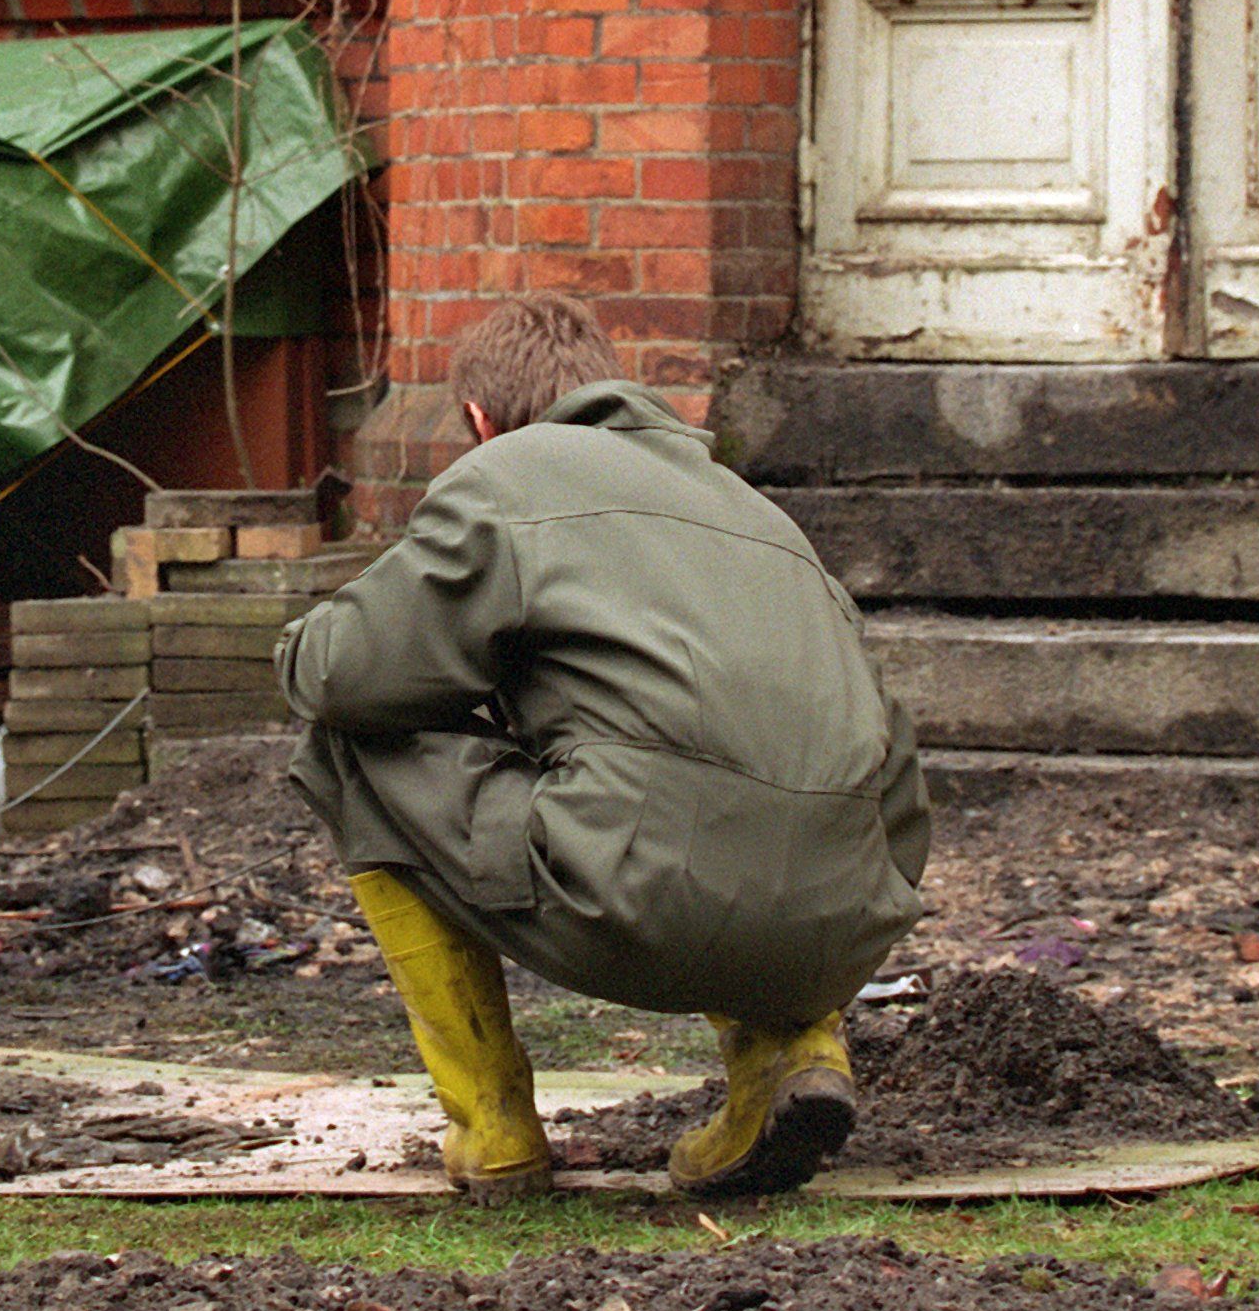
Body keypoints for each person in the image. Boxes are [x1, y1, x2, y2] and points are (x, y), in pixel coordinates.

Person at [279, 295, 928, 1198]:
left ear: (480, 419)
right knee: (727, 751)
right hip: (844, 919)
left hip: (643, 898)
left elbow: (347, 675)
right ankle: (787, 1061)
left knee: (346, 746)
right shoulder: (752, 510)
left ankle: (492, 1125)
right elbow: (885, 742)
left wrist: (299, 648)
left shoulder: (510, 476)